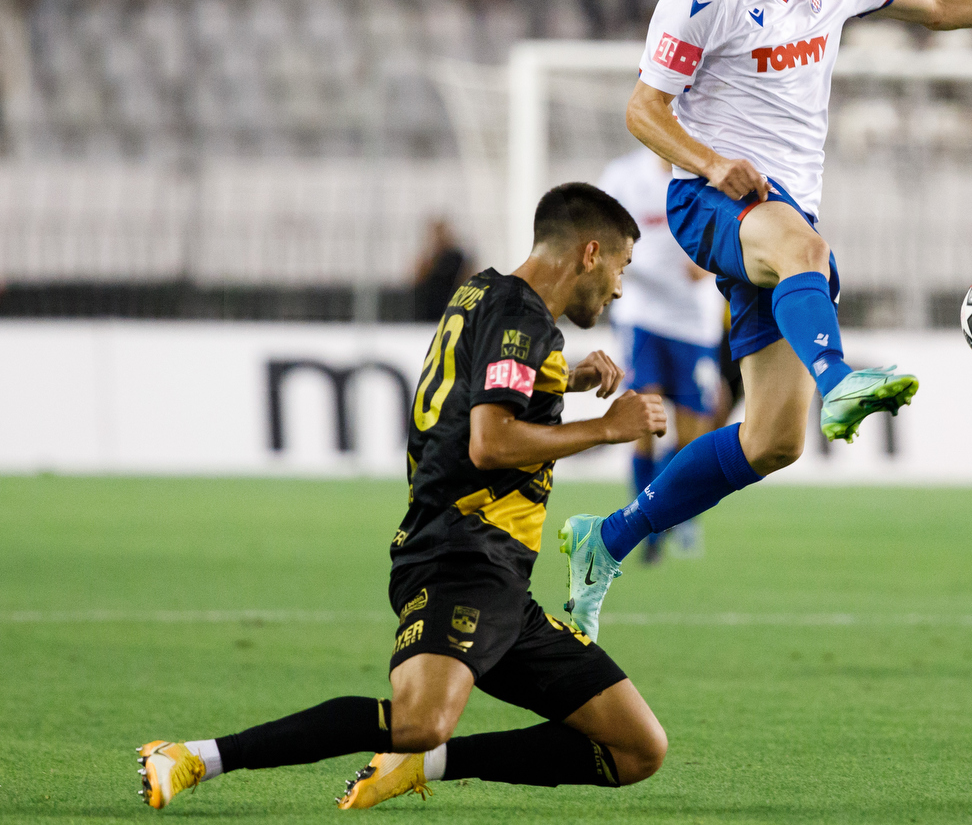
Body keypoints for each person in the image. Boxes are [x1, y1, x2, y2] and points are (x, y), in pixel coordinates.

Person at [557, 0, 972, 640]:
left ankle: (605, 540)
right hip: (710, 198)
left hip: (780, 215)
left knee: (773, 439)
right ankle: (842, 376)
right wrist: (714, 162)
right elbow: (644, 111)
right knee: (806, 251)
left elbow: (937, 4)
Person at [135, 183, 672, 811]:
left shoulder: (484, 292)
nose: (619, 288)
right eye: (620, 267)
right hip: (460, 559)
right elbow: (489, 443)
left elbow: (478, 385)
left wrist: (565, 377)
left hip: (501, 581)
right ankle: (195, 757)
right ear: (589, 253)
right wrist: (610, 427)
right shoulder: (522, 320)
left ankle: (423, 765)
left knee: (637, 748)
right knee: (419, 718)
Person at [599, 147, 726, 563]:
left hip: (694, 322)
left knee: (691, 437)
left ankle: (659, 515)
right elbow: (597, 235)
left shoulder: (710, 179)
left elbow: (723, 244)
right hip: (642, 315)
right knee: (645, 422)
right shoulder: (623, 176)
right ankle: (646, 530)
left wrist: (709, 261)